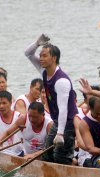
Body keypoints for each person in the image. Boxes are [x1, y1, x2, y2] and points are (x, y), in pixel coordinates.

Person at [25, 34, 77, 164]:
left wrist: (60, 134)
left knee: (61, 158)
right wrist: (37, 43)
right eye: (41, 55)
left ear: (54, 58)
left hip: (68, 123)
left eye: (44, 56)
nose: (41, 58)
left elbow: (64, 109)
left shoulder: (61, 81)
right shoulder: (44, 71)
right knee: (46, 154)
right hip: (57, 122)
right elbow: (28, 54)